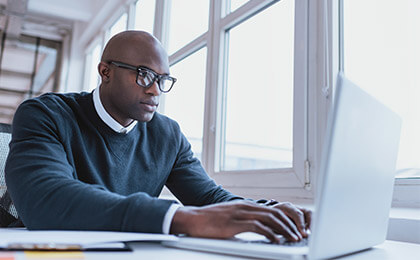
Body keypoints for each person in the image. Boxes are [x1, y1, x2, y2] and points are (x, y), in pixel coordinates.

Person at [5, 30, 310, 244]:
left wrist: (267, 211)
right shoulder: (45, 114)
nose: (154, 89)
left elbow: (208, 199)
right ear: (105, 71)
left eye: (163, 80)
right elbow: (45, 200)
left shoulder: (168, 135)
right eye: (143, 74)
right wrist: (180, 218)